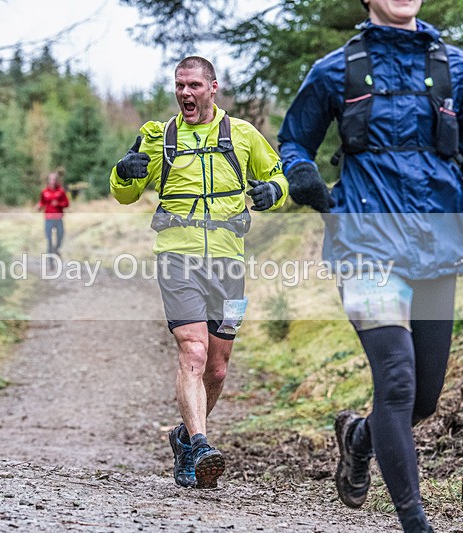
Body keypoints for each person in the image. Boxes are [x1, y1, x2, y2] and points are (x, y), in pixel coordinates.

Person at [278, 1, 463, 531]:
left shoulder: (457, 69)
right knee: (395, 380)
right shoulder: (336, 69)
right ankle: (414, 520)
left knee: (424, 397)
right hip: (364, 245)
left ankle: (359, 436)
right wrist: (301, 173)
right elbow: (294, 140)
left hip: (436, 246)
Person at [110, 56, 289, 489]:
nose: (185, 93)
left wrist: (273, 191)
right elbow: (124, 194)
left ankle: (185, 437)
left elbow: (278, 177)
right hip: (178, 257)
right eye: (179, 85)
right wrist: (124, 172)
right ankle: (203, 445)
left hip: (228, 263)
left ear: (212, 87)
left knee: (218, 368)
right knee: (193, 350)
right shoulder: (159, 137)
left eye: (193, 85)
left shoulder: (242, 134)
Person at [37, 169, 70, 256]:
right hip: (48, 218)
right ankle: (50, 259)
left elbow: (67, 203)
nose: (53, 181)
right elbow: (42, 202)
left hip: (58, 218)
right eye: (51, 179)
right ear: (48, 180)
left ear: (57, 180)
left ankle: (56, 249)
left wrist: (58, 204)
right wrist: (39, 206)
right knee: (49, 238)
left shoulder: (61, 191)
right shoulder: (44, 192)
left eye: (54, 179)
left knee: (60, 236)